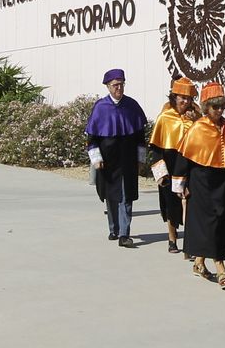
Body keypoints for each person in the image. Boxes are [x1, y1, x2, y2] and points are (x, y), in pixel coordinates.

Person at [175, 82, 225, 289]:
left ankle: (199, 263)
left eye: (222, 106)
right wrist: (181, 185)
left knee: (224, 222)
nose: (219, 111)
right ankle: (221, 269)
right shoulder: (197, 128)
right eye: (215, 107)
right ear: (206, 107)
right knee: (211, 223)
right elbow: (184, 159)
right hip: (202, 183)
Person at [85, 68, 148, 248]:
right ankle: (113, 228)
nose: (119, 88)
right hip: (107, 161)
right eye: (115, 85)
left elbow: (140, 138)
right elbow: (92, 139)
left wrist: (140, 160)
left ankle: (124, 234)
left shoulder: (132, 106)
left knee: (126, 196)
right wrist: (96, 159)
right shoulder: (100, 107)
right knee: (110, 196)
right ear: (107, 86)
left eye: (121, 84)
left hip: (127, 160)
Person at [147, 77, 199, 254]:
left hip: (191, 165)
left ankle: (191, 242)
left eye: (189, 98)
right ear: (174, 96)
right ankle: (172, 238)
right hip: (170, 165)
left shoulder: (195, 115)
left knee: (191, 203)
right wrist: (160, 173)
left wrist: (197, 120)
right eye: (182, 97)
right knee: (171, 204)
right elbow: (155, 149)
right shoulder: (165, 116)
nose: (185, 101)